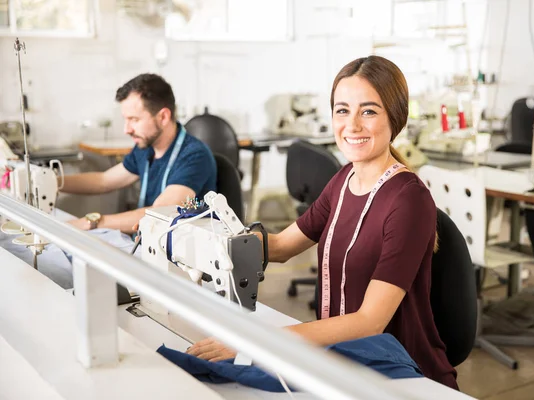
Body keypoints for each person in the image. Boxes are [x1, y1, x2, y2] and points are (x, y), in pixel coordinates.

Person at [185, 56, 458, 389]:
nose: (352, 125)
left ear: (396, 118)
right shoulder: (343, 180)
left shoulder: (408, 199)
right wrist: (210, 236)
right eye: (342, 110)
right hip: (342, 364)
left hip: (401, 376)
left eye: (368, 111)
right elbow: (283, 246)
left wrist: (257, 342)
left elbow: (370, 322)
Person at [62, 73, 217, 234]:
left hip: (178, 251)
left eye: (134, 120)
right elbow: (104, 181)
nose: (127, 129)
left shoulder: (194, 155)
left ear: (163, 117)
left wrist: (91, 222)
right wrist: (54, 182)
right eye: (126, 120)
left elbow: (160, 214)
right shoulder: (146, 147)